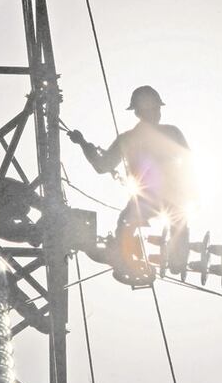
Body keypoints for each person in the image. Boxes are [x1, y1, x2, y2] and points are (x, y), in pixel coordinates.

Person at [67, 85, 195, 283]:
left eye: (156, 109)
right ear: (139, 112)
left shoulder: (134, 138)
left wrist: (83, 144)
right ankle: (133, 257)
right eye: (152, 109)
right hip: (160, 197)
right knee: (134, 222)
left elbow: (103, 165)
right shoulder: (161, 134)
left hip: (153, 198)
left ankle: (130, 257)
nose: (156, 113)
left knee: (129, 222)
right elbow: (104, 166)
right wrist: (83, 144)